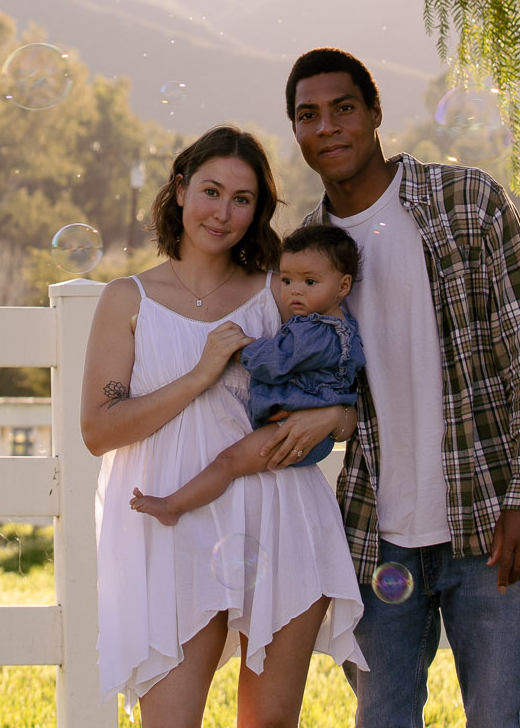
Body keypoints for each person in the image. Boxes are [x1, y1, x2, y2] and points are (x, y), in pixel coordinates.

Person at [287, 47, 520, 728]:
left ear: (374, 113)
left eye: (340, 108)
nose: (324, 127)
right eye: (306, 114)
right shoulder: (305, 254)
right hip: (375, 536)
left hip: (488, 524)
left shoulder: (465, 204)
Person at [83, 127, 365, 728]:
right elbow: (101, 431)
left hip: (276, 512)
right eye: (211, 191)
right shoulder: (126, 300)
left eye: (244, 199)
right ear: (179, 188)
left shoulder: (279, 291)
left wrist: (337, 414)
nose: (225, 211)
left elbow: (346, 383)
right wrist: (204, 372)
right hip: (169, 521)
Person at [130, 224, 365, 523]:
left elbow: (276, 360)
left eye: (309, 281)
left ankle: (172, 507)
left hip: (294, 431)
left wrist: (242, 347)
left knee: (227, 463)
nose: (295, 290)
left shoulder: (317, 333)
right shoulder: (333, 327)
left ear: (343, 287)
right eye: (288, 279)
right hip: (297, 425)